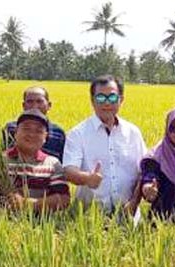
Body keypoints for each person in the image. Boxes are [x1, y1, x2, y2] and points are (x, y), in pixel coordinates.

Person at [63, 75, 147, 215]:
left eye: (112, 98)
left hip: (128, 216)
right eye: (101, 98)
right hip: (88, 217)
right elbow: (69, 170)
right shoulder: (78, 133)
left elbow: (143, 171)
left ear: (121, 100)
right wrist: (87, 178)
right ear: (92, 101)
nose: (107, 103)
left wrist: (134, 203)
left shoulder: (133, 133)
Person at [0, 109, 70, 213]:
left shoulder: (53, 164)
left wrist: (29, 204)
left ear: (45, 137)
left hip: (40, 226)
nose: (31, 134)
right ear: (16, 133)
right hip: (0, 224)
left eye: (39, 131)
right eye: (26, 129)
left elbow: (64, 200)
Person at [2, 86, 66, 162]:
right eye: (30, 101)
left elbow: (63, 162)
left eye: (39, 101)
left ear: (49, 105)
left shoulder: (58, 133)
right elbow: (3, 158)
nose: (34, 106)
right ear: (23, 105)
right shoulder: (10, 129)